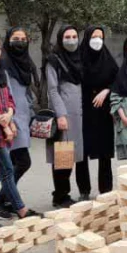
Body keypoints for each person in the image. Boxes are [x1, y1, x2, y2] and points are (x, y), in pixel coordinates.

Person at [0, 37, 40, 231]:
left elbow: (9, 98)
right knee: (7, 170)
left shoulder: (1, 72)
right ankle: (21, 209)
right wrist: (4, 124)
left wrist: (10, 115)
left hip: (4, 125)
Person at [0, 27, 37, 213]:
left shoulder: (26, 62)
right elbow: (6, 93)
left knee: (13, 162)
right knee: (22, 162)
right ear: (8, 40)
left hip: (24, 115)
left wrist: (32, 106)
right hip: (11, 118)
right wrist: (9, 119)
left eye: (23, 38)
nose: (20, 42)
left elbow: (27, 90)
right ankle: (2, 199)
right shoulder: (4, 62)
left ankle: (5, 199)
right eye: (16, 38)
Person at [47, 26, 85, 208]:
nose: (71, 40)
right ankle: (60, 195)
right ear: (61, 39)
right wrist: (60, 114)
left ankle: (62, 194)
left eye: (74, 36)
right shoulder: (53, 60)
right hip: (64, 114)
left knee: (71, 155)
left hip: (77, 114)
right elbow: (53, 89)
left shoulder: (79, 58)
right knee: (62, 155)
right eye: (67, 37)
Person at [79, 26, 118, 197]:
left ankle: (106, 190)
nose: (97, 40)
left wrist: (107, 90)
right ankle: (84, 191)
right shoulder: (79, 59)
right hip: (83, 111)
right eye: (94, 36)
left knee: (104, 153)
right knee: (82, 154)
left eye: (100, 37)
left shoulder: (108, 59)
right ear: (87, 37)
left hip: (103, 112)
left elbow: (117, 80)